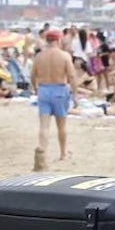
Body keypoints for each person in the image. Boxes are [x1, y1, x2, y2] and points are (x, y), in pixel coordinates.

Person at [30, 27, 79, 170]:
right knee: (61, 125)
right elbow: (71, 76)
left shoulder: (39, 56)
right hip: (60, 89)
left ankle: (42, 154)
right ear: (58, 40)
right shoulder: (64, 56)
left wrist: (35, 88)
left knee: (44, 126)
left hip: (44, 89)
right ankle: (63, 153)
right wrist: (75, 95)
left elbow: (33, 76)